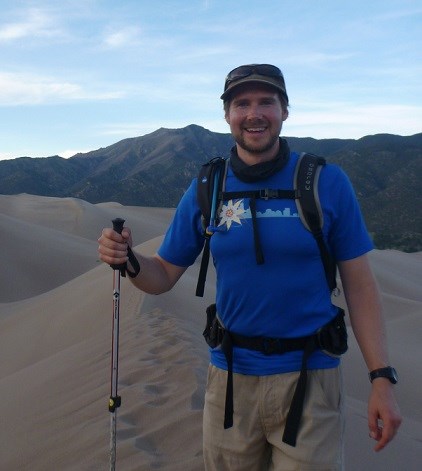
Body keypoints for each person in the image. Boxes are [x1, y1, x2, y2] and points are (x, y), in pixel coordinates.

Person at [98, 64, 402, 470]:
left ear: (285, 111)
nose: (254, 114)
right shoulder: (209, 187)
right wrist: (129, 260)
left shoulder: (325, 182)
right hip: (229, 383)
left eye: (266, 102)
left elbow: (361, 287)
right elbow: (162, 276)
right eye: (242, 103)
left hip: (311, 382)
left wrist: (381, 377)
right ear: (227, 115)